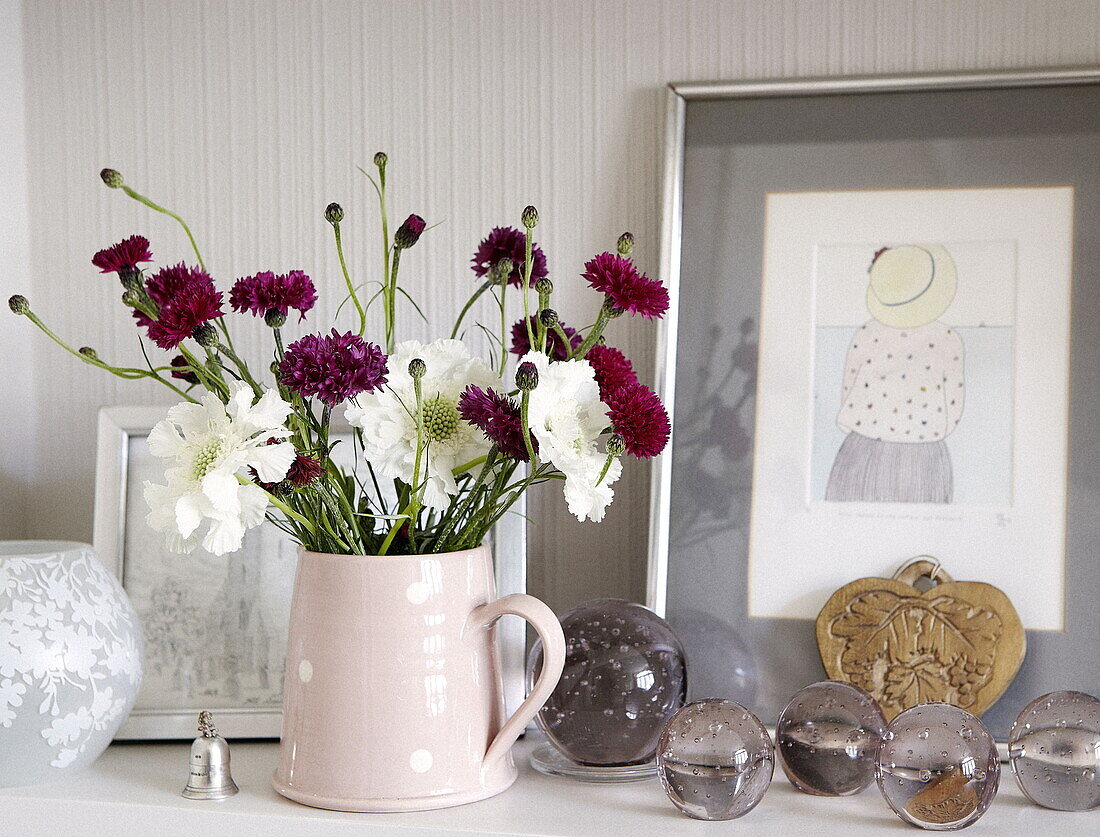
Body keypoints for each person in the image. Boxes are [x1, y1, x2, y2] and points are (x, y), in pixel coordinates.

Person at [825, 245, 965, 503]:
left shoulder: (865, 333)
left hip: (862, 451)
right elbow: (953, 409)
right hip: (923, 457)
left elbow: (847, 394)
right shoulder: (948, 338)